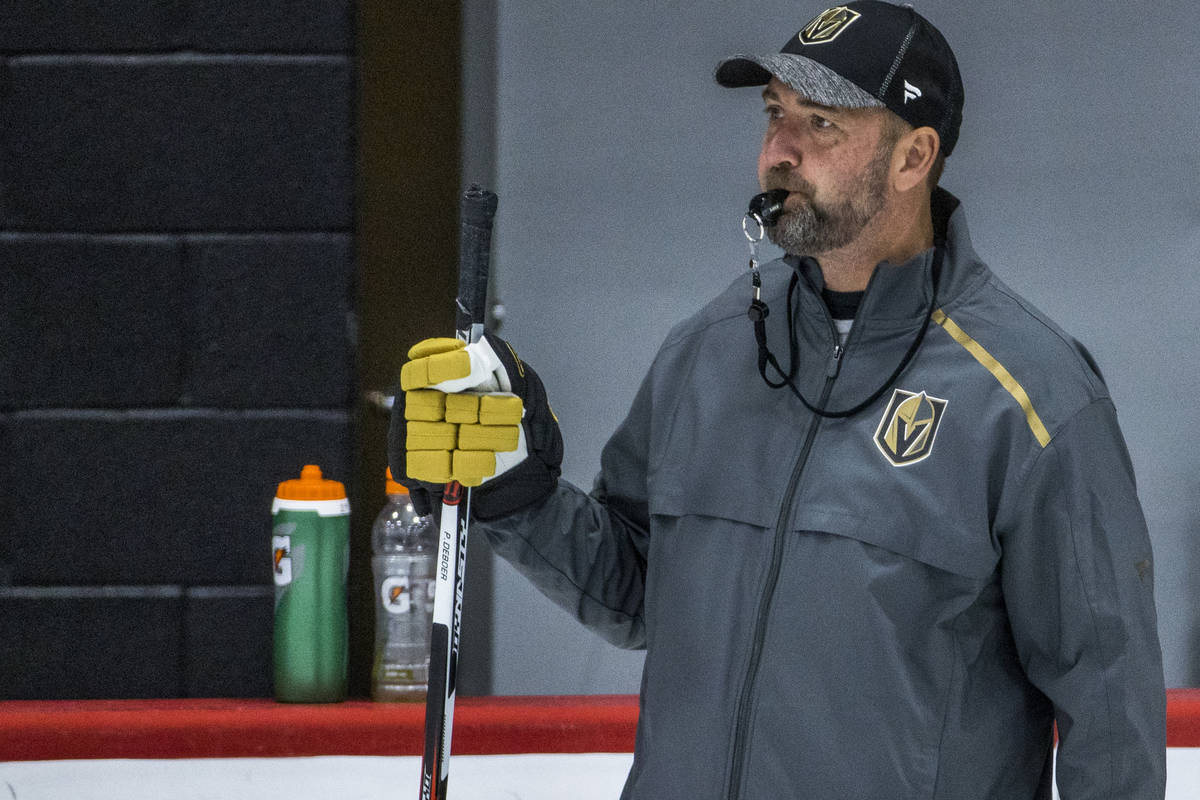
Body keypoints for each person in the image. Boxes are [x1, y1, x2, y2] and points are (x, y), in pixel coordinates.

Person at [390, 2, 1167, 797]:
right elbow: (637, 593)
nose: (779, 151)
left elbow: (1110, 708)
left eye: (822, 123)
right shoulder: (710, 349)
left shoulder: (1031, 396)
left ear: (914, 157)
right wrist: (515, 491)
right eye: (775, 114)